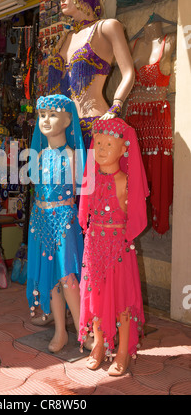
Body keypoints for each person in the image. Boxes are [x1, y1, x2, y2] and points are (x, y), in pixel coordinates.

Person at [78, 117, 149, 376]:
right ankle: (98, 345)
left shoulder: (124, 182)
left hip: (118, 249)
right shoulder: (91, 179)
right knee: (95, 295)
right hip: (94, 245)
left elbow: (135, 214)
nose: (102, 149)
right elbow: (85, 211)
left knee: (121, 300)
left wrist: (125, 240)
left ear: (123, 149)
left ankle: (122, 352)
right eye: (98, 143)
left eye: (110, 143)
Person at [26, 94, 89, 353]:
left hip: (64, 220)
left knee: (67, 276)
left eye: (52, 114)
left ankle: (84, 331)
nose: (46, 120)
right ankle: (61, 332)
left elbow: (85, 191)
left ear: (67, 119)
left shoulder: (74, 156)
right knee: (50, 278)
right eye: (42, 115)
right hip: (41, 220)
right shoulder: (37, 157)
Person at [47, 0, 135, 149]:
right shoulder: (65, 38)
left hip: (95, 126)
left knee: (93, 177)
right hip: (62, 132)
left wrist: (116, 105)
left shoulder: (106, 28)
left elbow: (129, 72)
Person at [125, 18, 176, 235]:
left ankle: (157, 218)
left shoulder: (169, 42)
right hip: (133, 121)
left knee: (155, 168)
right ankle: (132, 219)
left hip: (156, 120)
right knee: (132, 171)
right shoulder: (132, 46)